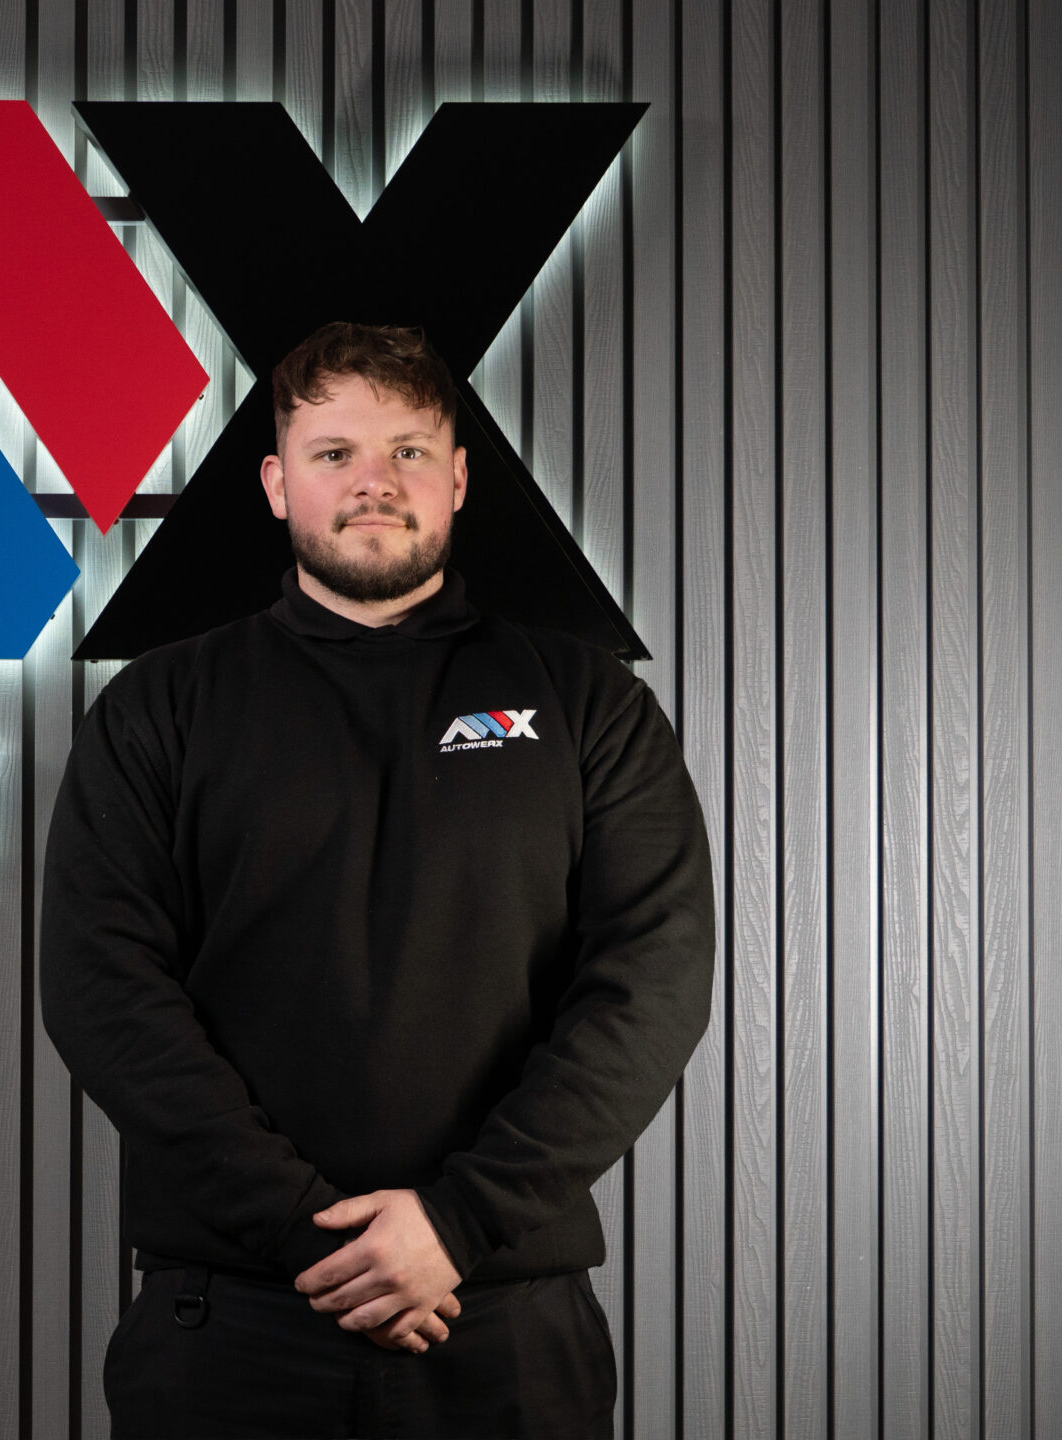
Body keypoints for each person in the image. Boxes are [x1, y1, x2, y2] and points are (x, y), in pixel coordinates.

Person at [38, 321, 715, 1438]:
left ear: (458, 478)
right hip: (231, 1322)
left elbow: (653, 983)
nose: (374, 482)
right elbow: (102, 991)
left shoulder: (588, 703)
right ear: (276, 485)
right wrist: (310, 1233)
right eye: (334, 452)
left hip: (500, 1317)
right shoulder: (160, 708)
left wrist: (458, 1223)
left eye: (408, 450)